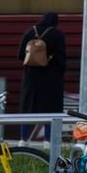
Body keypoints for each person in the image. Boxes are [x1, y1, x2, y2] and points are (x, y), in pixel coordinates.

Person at [17, 12, 66, 140]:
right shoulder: (57, 35)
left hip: (31, 78)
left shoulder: (29, 32)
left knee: (28, 107)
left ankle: (23, 139)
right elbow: (61, 59)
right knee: (51, 110)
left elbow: (20, 55)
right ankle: (48, 140)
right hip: (51, 78)